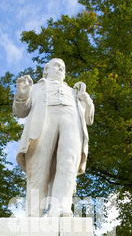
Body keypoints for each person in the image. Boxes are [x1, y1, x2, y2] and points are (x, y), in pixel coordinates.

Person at [13, 58, 94, 217]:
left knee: (68, 163)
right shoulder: (35, 88)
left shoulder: (74, 92)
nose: (60, 69)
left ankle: (60, 208)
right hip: (44, 121)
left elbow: (88, 119)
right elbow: (20, 112)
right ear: (46, 70)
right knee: (37, 166)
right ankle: (34, 213)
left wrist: (85, 98)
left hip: (71, 122)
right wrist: (22, 96)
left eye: (63, 67)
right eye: (56, 66)